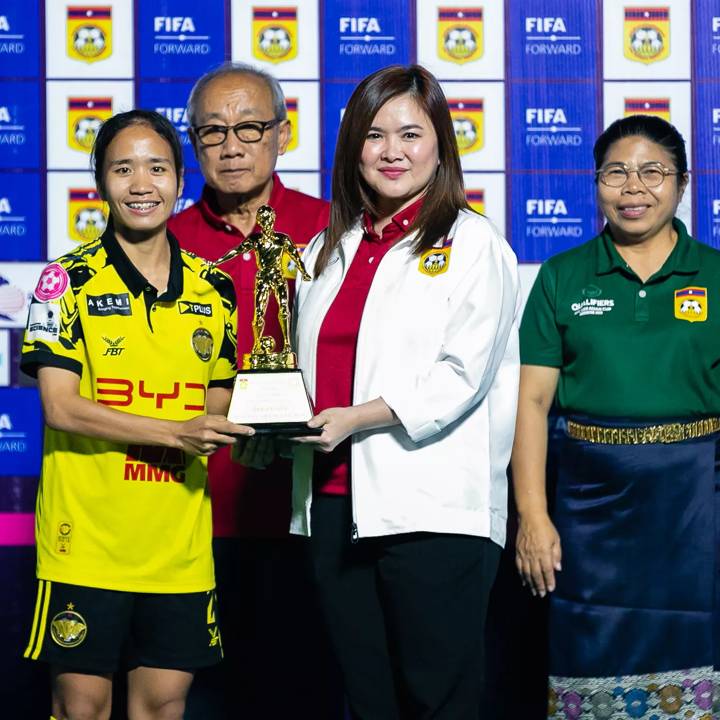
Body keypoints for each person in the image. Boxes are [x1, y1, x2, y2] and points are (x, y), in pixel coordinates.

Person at [290, 65, 520, 719]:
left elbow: (460, 377)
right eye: (373, 134)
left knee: (436, 699)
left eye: (410, 133)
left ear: (441, 143)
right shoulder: (325, 248)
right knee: (365, 700)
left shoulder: (475, 244)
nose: (391, 151)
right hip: (332, 505)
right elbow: (304, 370)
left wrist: (356, 418)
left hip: (433, 509)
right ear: (351, 148)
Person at [20, 110, 253, 720]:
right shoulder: (62, 281)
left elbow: (217, 402)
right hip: (85, 542)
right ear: (101, 181)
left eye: (157, 167)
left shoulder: (215, 289)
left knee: (163, 707)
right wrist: (176, 431)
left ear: (181, 181)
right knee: (81, 709)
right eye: (123, 168)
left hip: (176, 545)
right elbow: (59, 406)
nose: (141, 183)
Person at [513, 115, 720, 718]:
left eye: (652, 172)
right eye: (616, 173)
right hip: (589, 504)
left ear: (683, 183)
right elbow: (532, 404)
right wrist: (533, 515)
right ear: (595, 183)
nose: (633, 188)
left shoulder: (714, 274)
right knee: (587, 646)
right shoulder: (561, 276)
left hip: (696, 505)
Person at [167, 63, 339, 718]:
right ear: (193, 141)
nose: (231, 145)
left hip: (313, 506)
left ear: (283, 133)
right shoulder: (166, 244)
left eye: (249, 127)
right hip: (195, 510)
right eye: (212, 131)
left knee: (306, 691)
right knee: (206, 698)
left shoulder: (334, 231)